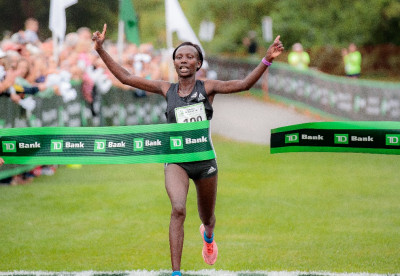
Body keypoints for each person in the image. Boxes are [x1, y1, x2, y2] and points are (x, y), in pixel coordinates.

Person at [92, 24, 284, 276]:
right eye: (179, 57)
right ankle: (176, 273)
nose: (184, 60)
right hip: (176, 160)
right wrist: (100, 50)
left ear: (198, 64)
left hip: (204, 161)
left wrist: (266, 59)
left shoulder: (208, 88)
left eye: (189, 57)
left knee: (208, 218)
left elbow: (245, 84)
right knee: (178, 209)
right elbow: (127, 78)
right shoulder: (166, 89)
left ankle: (208, 237)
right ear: (174, 63)